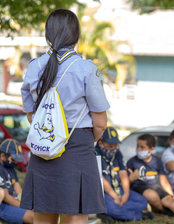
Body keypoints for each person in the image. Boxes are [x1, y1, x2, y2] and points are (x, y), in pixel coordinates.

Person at [20, 9, 109, 224]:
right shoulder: (87, 69)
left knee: (42, 217)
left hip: (44, 146)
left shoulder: (35, 67)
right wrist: (87, 141)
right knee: (75, 217)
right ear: (76, 35)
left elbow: (32, 116)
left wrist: (52, 135)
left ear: (48, 34)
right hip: (78, 146)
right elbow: (100, 123)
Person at [127, 134, 174, 221]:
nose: (138, 149)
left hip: (154, 186)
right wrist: (131, 178)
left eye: (142, 147)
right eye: (138, 146)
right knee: (152, 195)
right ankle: (163, 210)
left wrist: (170, 193)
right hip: (138, 187)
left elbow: (163, 179)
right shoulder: (132, 162)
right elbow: (126, 182)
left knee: (169, 200)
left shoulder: (157, 161)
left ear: (151, 149)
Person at [96, 127, 153, 223]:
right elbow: (100, 179)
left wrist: (126, 193)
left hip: (119, 189)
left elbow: (123, 174)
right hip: (104, 193)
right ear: (101, 143)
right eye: (110, 146)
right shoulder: (95, 153)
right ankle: (138, 215)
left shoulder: (117, 153)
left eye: (115, 145)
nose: (114, 148)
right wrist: (115, 197)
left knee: (142, 202)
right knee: (112, 207)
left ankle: (113, 213)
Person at [0, 139, 33, 223]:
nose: (15, 162)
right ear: (3, 156)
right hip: (3, 205)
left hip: (12, 198)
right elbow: (6, 197)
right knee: (33, 217)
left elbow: (17, 188)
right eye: (13, 159)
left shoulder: (10, 168)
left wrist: (25, 202)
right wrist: (24, 206)